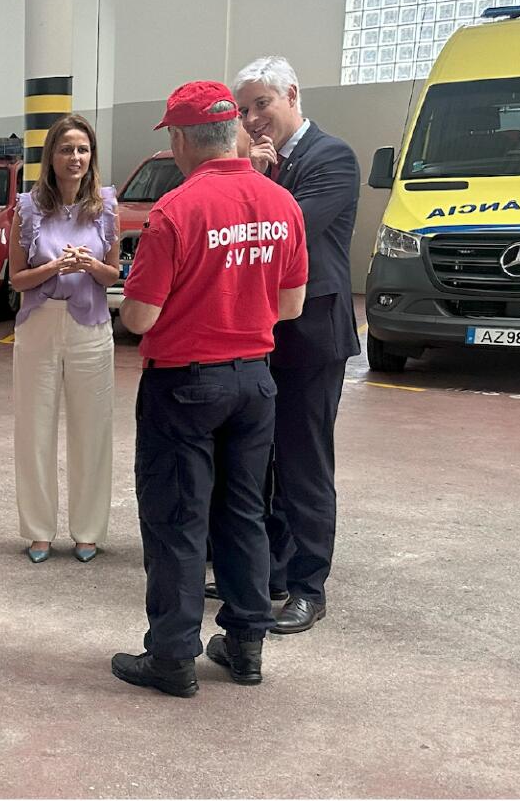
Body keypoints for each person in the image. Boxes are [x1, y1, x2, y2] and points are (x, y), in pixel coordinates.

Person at [110, 81, 307, 697]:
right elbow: (291, 304)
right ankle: (246, 646)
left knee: (177, 519)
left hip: (185, 384)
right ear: (234, 133)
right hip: (254, 378)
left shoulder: (176, 209)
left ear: (179, 139)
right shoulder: (281, 202)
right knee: (244, 513)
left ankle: (171, 657)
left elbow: (138, 317)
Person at [233, 56, 361, 634]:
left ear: (292, 95)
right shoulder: (263, 163)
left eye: (263, 104)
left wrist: (254, 178)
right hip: (262, 329)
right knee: (262, 459)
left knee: (305, 462)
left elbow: (283, 232)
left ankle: (309, 586)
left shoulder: (330, 157)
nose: (254, 118)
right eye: (245, 110)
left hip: (313, 332)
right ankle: (272, 574)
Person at [9, 114, 120, 564]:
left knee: (92, 430)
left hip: (90, 327)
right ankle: (38, 530)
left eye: (83, 150)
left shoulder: (107, 206)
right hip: (39, 325)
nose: (75, 158)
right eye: (66, 149)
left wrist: (91, 267)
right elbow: (16, 279)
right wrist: (54, 268)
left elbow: (114, 273)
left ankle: (88, 530)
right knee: (33, 428)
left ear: (91, 157)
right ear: (50, 157)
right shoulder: (27, 208)